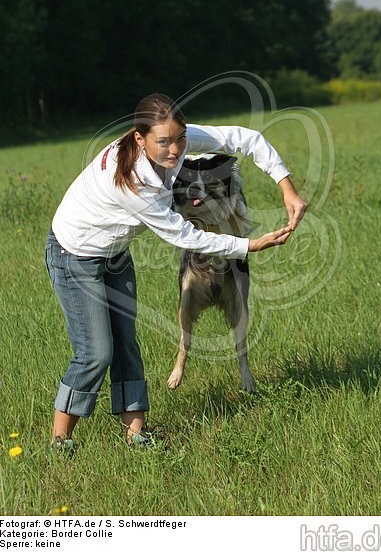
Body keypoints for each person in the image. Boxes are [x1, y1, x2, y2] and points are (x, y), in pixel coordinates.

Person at [44, 93, 307, 451]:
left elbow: (247, 139)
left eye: (180, 138)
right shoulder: (133, 183)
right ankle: (60, 441)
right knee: (96, 352)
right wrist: (249, 246)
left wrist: (286, 188)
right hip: (73, 253)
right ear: (140, 139)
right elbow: (184, 235)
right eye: (164, 142)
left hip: (114, 254)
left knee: (125, 343)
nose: (175, 150)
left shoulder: (176, 142)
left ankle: (136, 436)